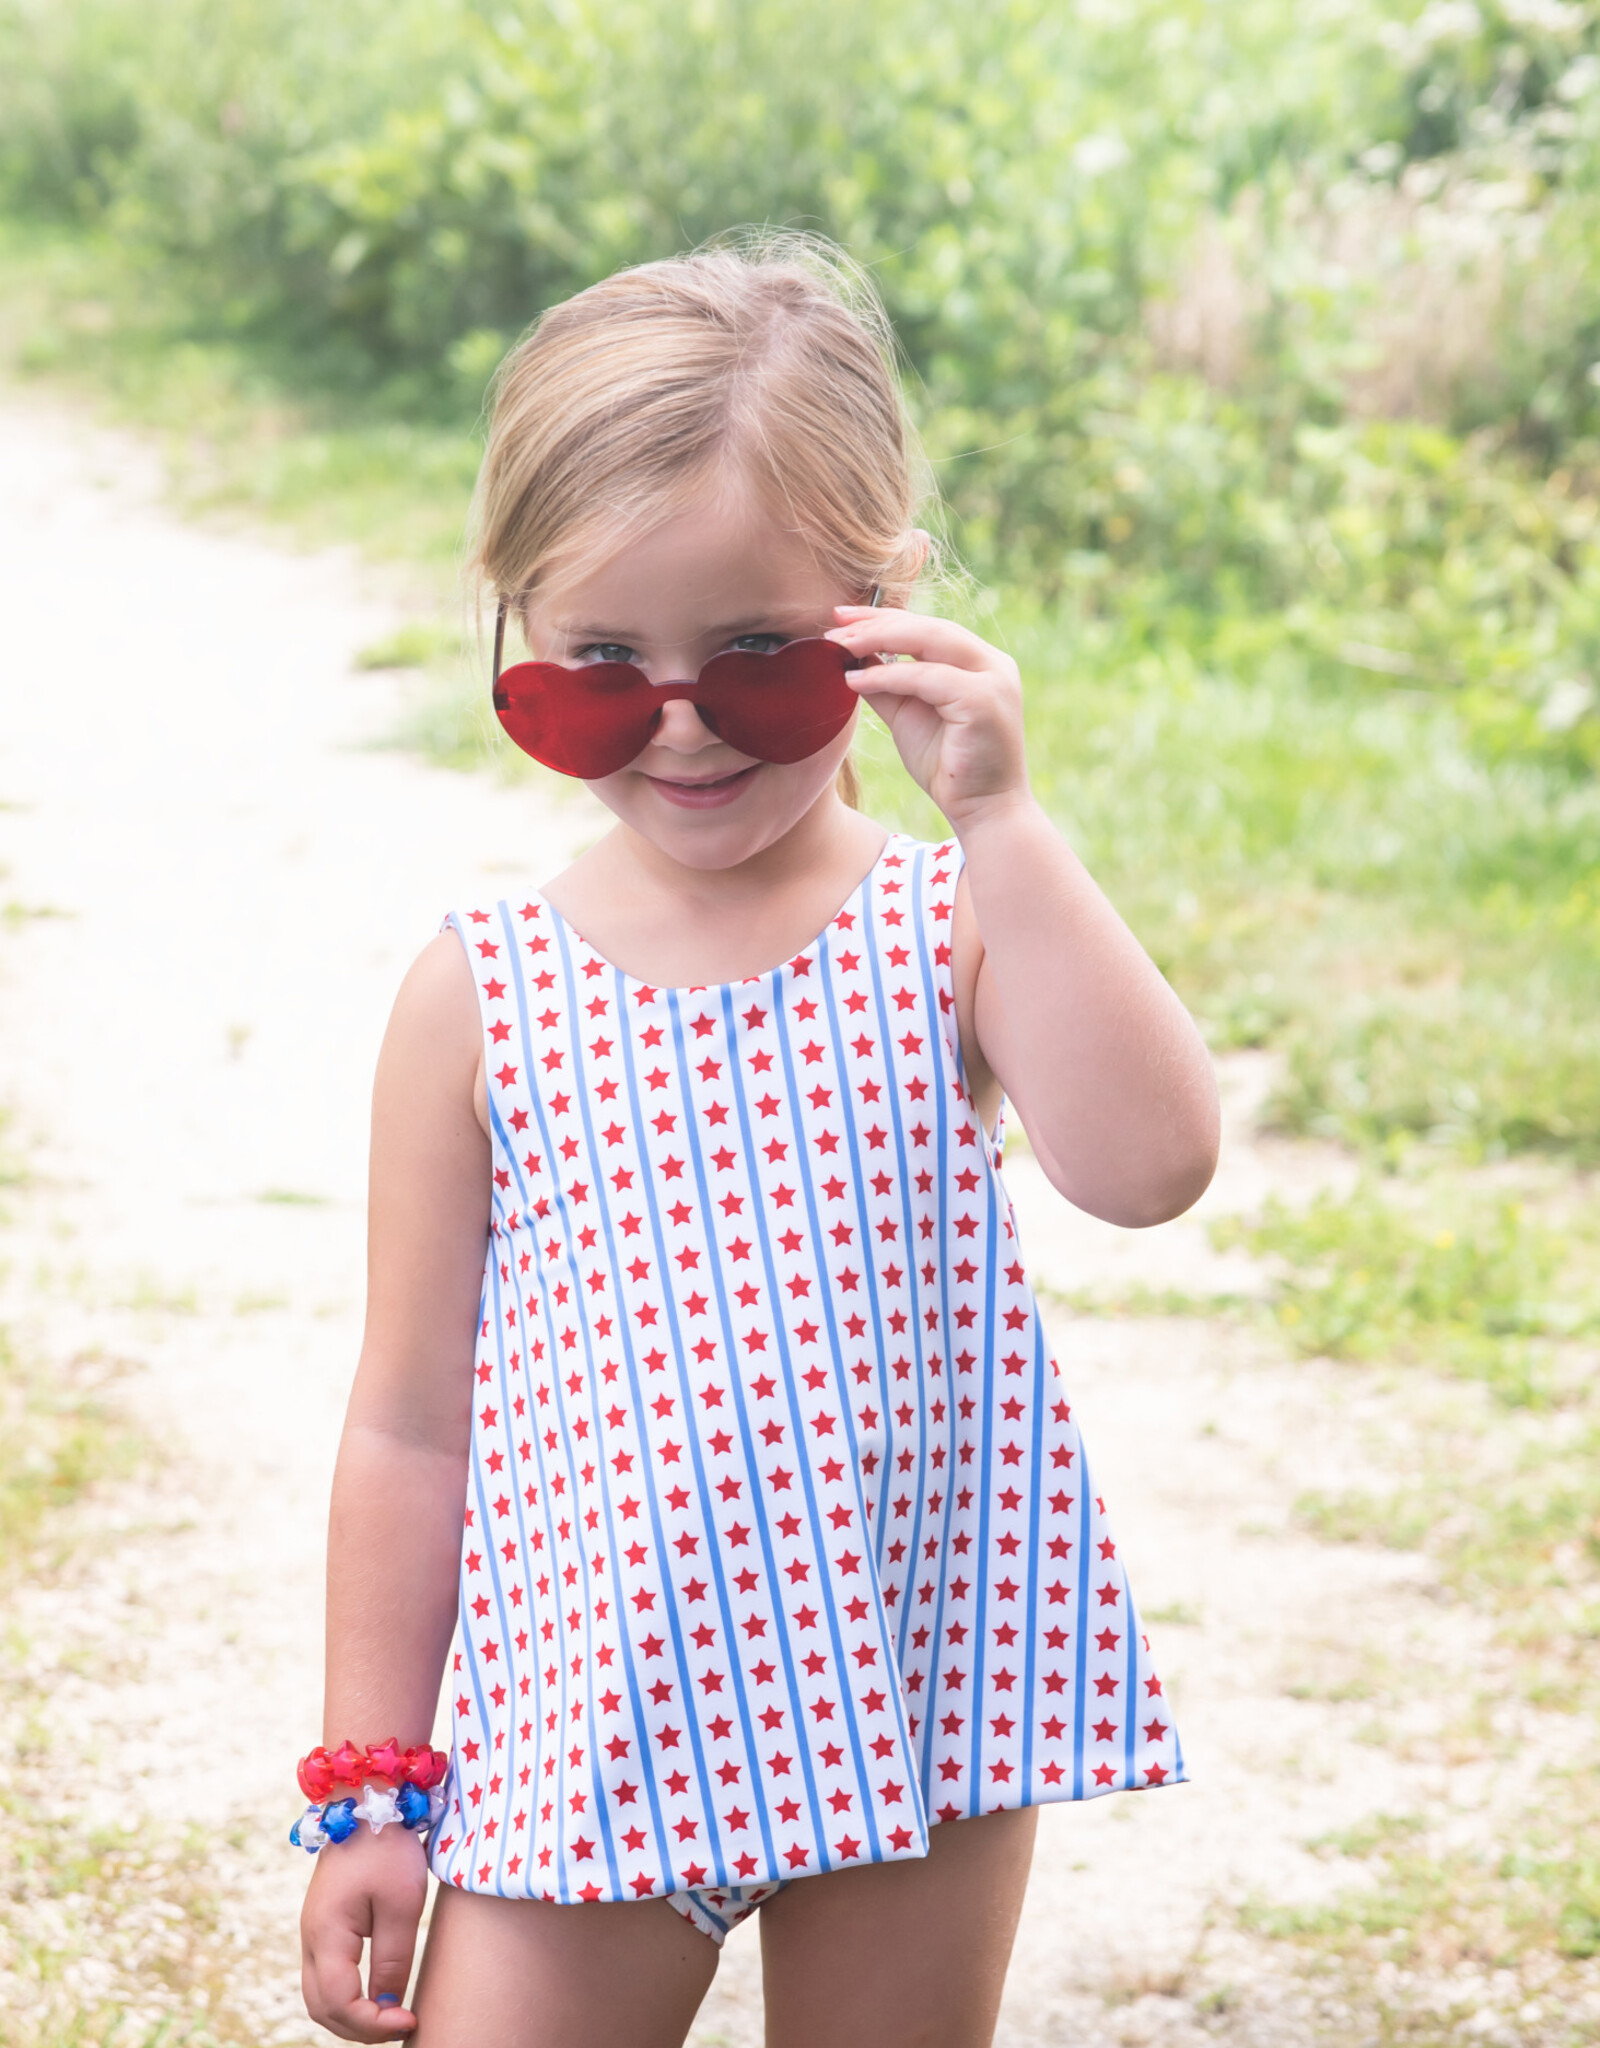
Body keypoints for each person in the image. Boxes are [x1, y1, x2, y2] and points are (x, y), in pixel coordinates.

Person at [295, 233, 1219, 2048]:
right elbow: (404, 1419)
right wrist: (373, 1791)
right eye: (600, 675)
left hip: (915, 1689)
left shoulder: (949, 923)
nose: (687, 722)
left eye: (760, 662)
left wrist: (1010, 823)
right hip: (592, 1725)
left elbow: (1150, 1165)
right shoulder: (477, 998)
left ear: (887, 617)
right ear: (516, 633)